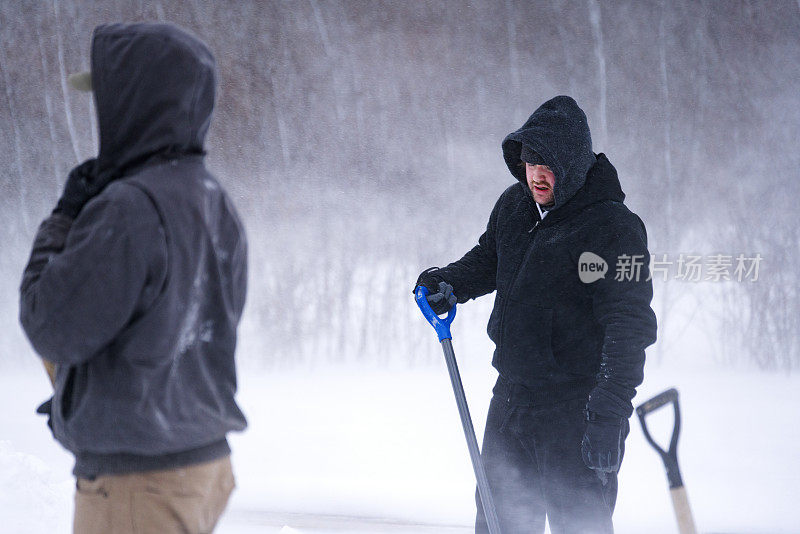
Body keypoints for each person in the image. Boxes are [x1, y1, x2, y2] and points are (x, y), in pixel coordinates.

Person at [19, 23, 247, 534]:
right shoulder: (213, 200)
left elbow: (48, 323)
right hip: (202, 462)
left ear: (137, 106)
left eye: (108, 99)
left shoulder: (129, 209)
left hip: (140, 481)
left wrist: (64, 218)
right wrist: (88, 391)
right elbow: (173, 335)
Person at [415, 96, 657, 533]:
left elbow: (630, 324)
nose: (537, 174)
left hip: (576, 412)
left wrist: (609, 414)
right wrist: (448, 283)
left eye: (550, 164)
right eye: (530, 162)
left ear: (574, 164)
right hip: (511, 402)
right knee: (499, 525)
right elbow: (490, 259)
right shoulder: (515, 207)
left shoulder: (615, 228)